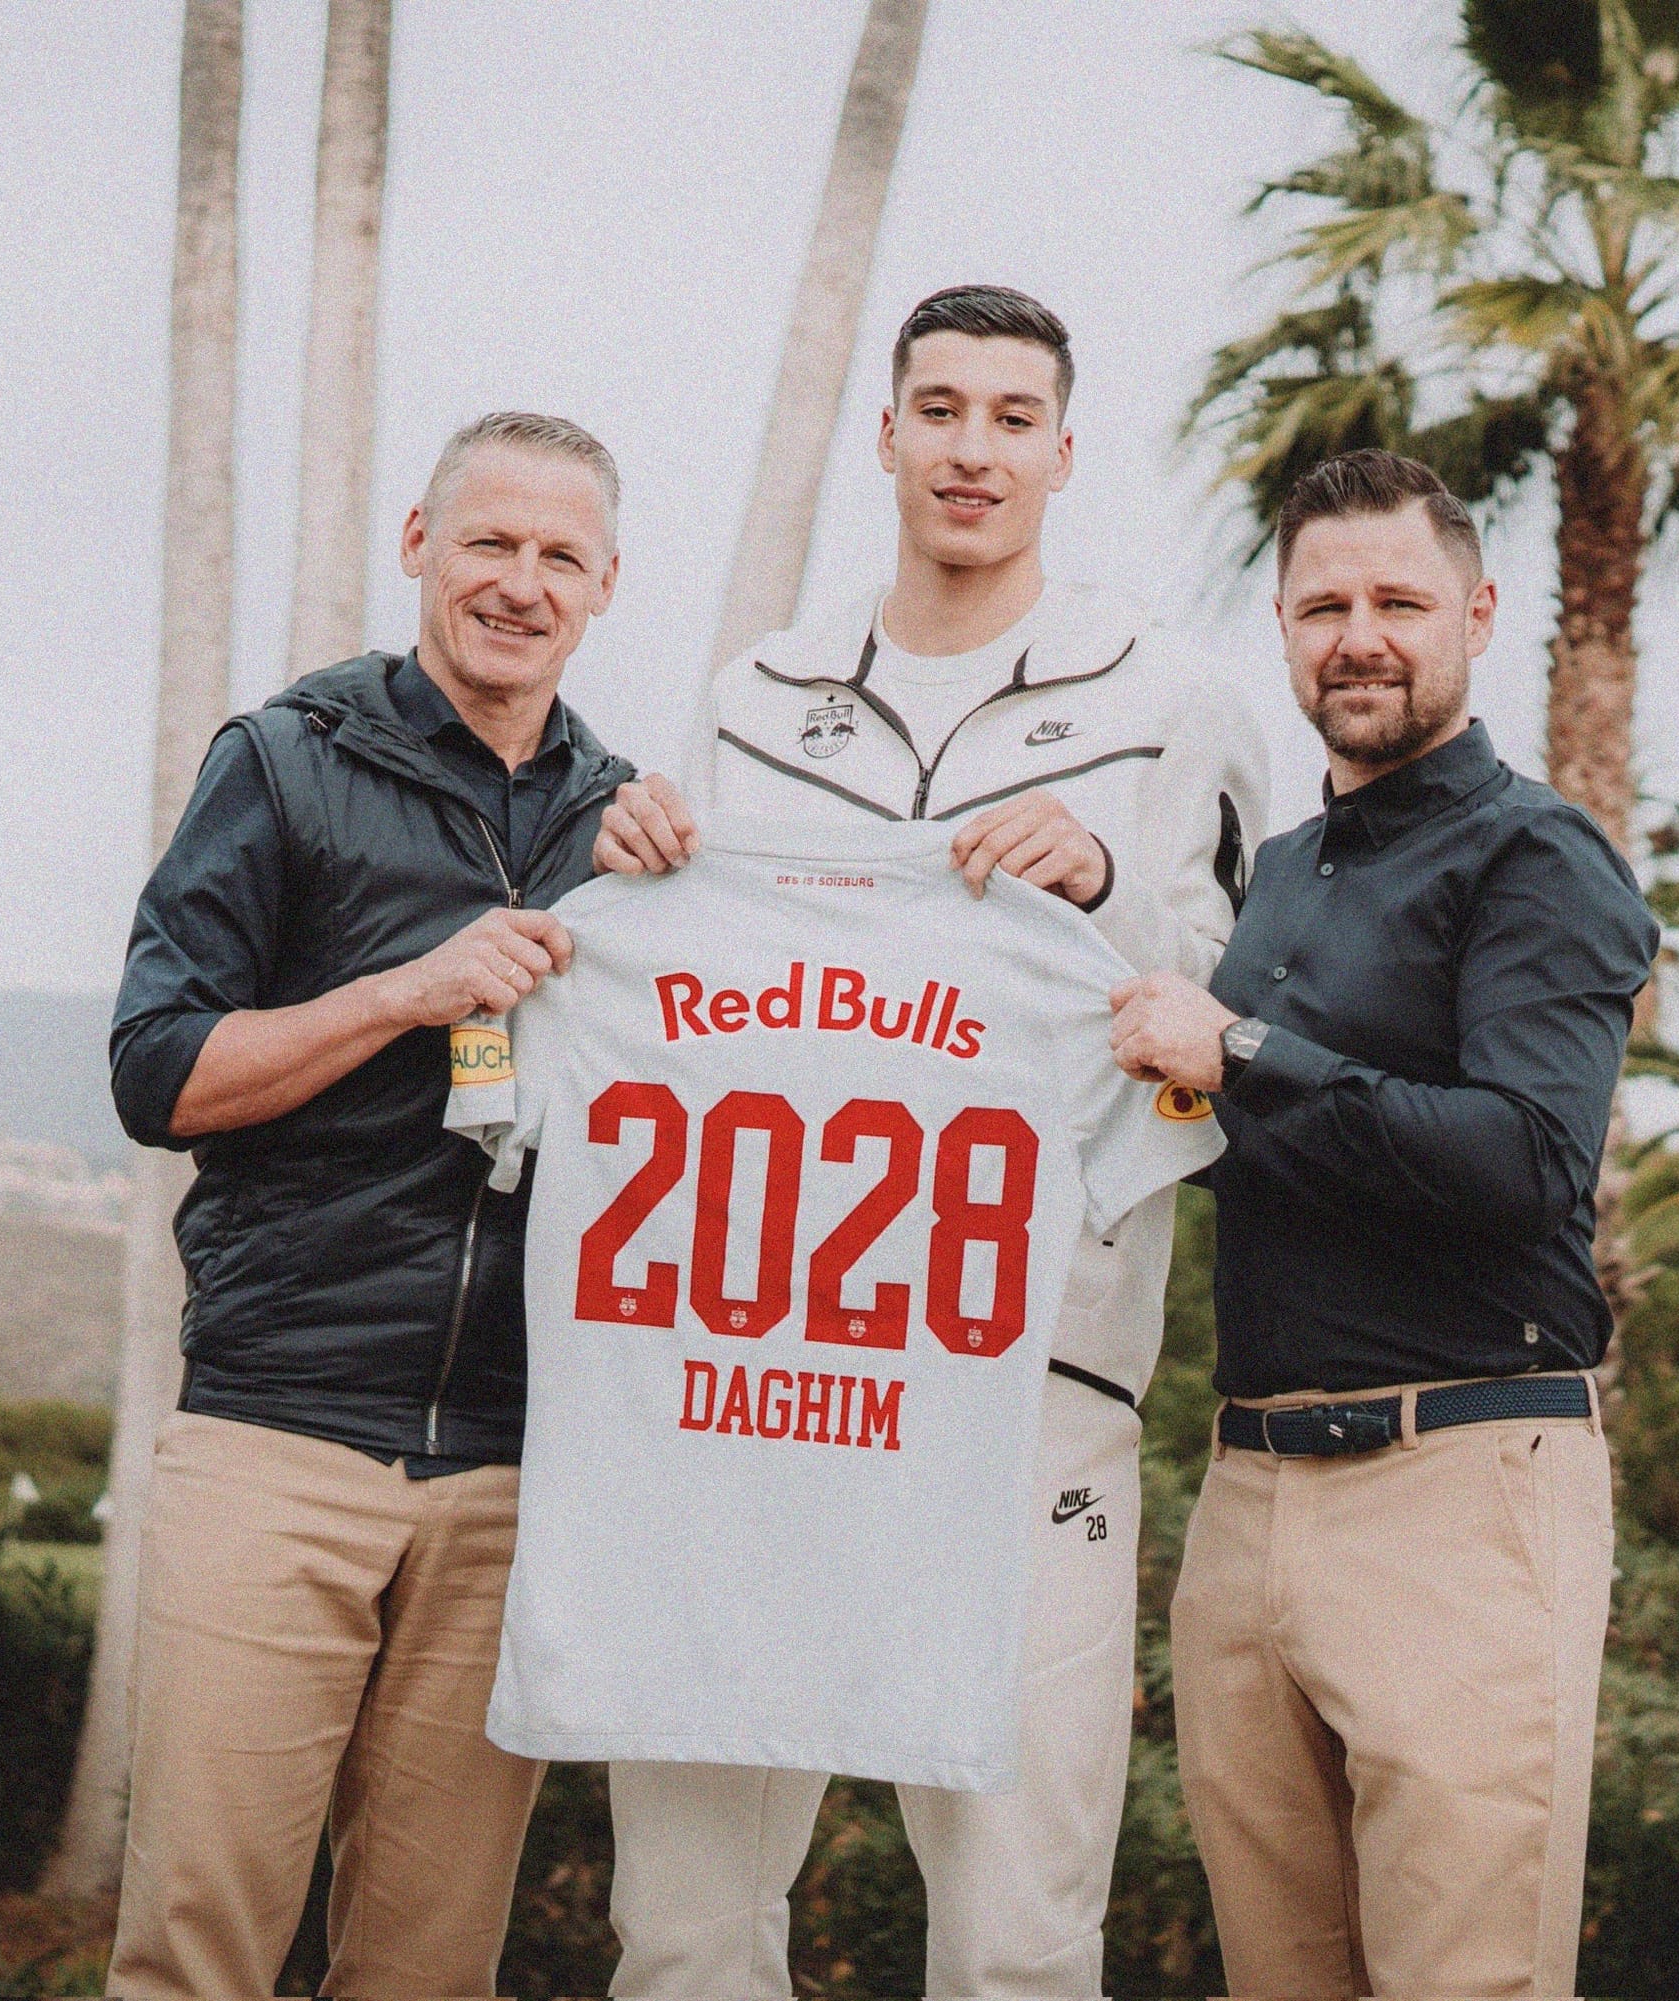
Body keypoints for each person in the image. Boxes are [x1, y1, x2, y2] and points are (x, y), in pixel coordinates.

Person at [592, 285, 1268, 1999]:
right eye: (942, 410)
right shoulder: (756, 695)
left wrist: (1108, 892)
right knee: (680, 1927)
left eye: (1012, 416)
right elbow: (687, 996)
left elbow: (1237, 1031)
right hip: (754, 1376)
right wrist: (637, 859)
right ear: (884, 433)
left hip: (1028, 1373)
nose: (974, 449)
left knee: (1017, 1937)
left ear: (1063, 449)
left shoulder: (1174, 697)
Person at [1108, 449, 1659, 1998]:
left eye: (1400, 601)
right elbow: (1247, 1140)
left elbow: (1526, 1162)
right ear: (1282, 626)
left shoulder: (1536, 856)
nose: (1360, 634)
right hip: (1248, 1499)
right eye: (1324, 603)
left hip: (1463, 1489)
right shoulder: (1279, 878)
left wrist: (1246, 1053)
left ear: (1478, 613)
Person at [105, 412, 633, 2000]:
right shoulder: (279, 762)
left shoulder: (631, 829)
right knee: (197, 1944)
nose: (520, 582)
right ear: (419, 543)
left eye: (560, 555)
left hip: (506, 1475)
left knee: (427, 1973)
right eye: (491, 541)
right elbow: (159, 1071)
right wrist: (406, 991)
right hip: (277, 1439)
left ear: (610, 584)